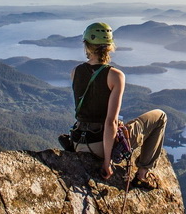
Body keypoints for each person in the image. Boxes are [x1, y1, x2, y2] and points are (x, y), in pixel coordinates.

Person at [68, 22, 167, 190]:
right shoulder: (115, 76)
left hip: (78, 142)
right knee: (160, 116)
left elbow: (89, 109)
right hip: (99, 145)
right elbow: (110, 122)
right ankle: (143, 174)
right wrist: (107, 162)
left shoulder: (75, 71)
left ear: (86, 45)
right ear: (110, 46)